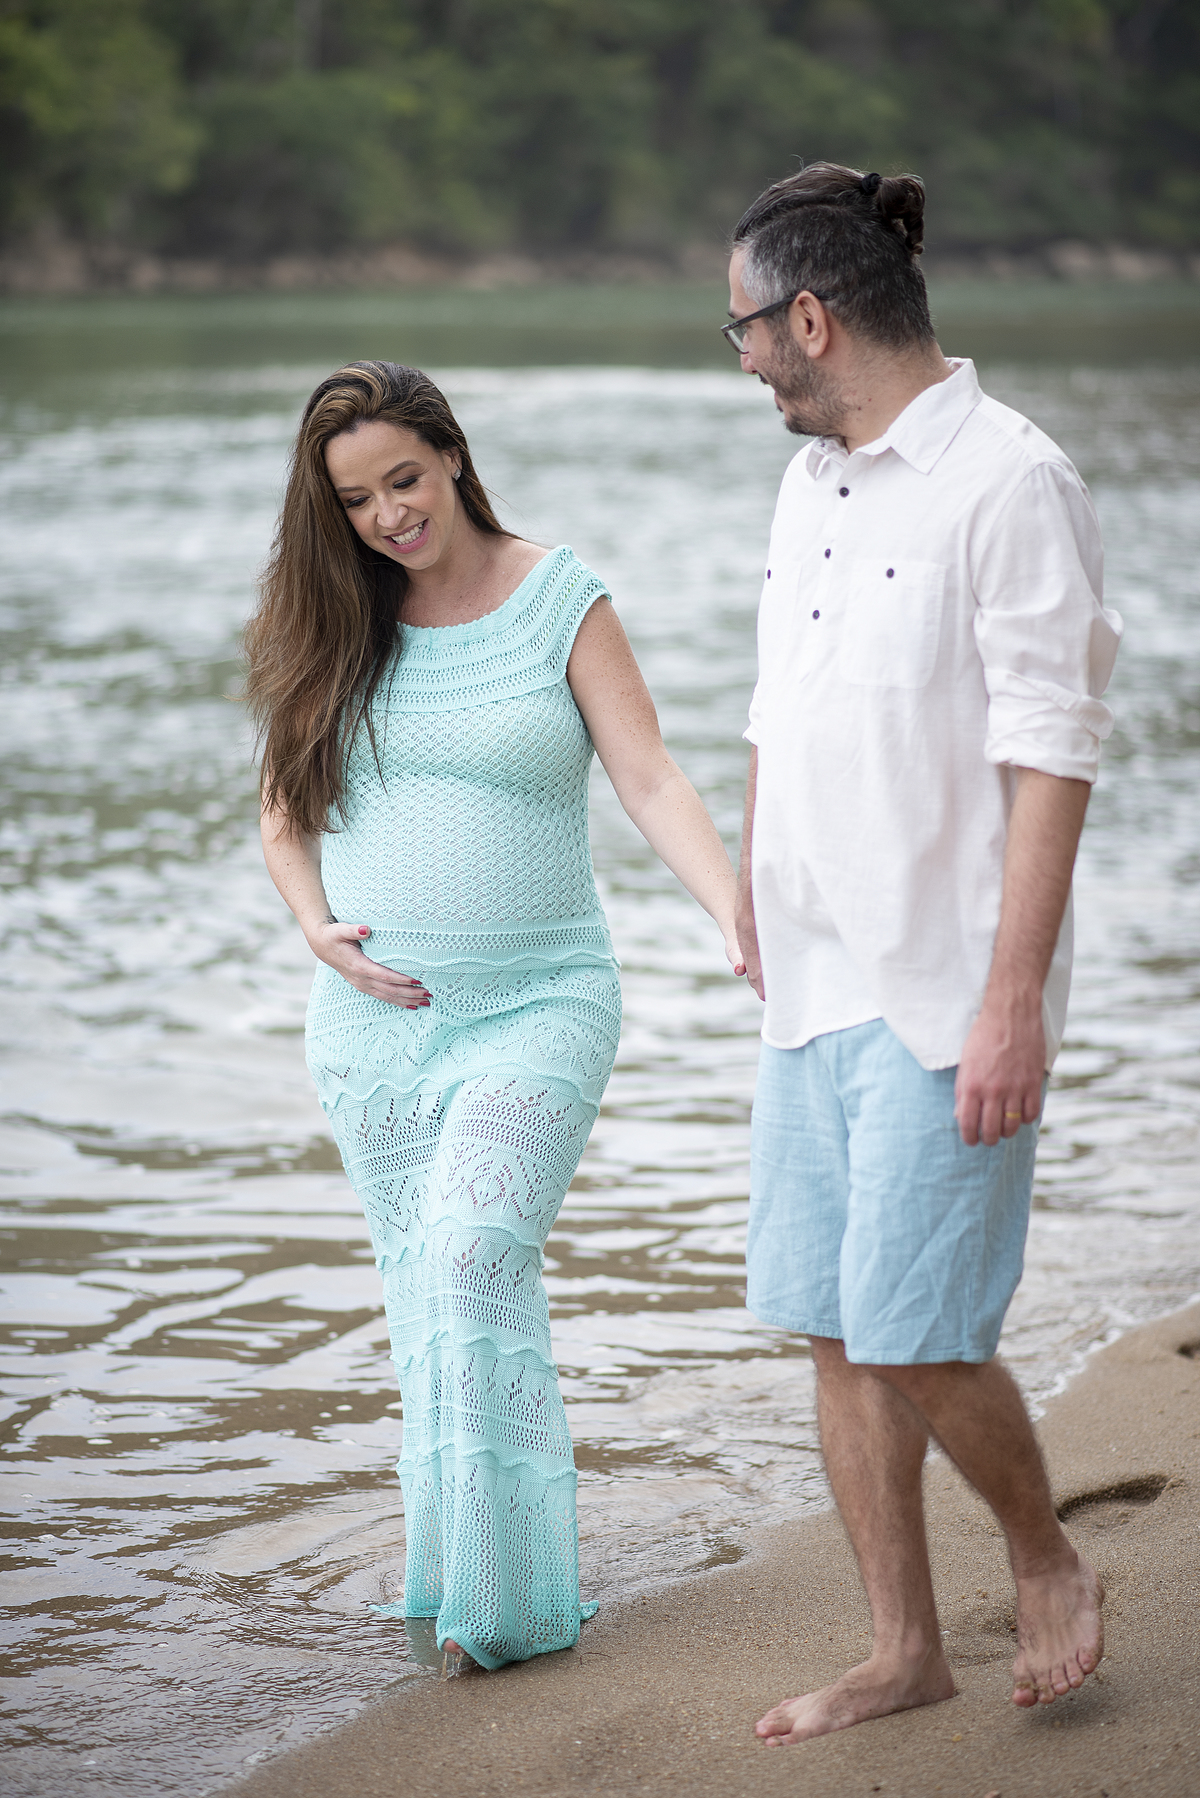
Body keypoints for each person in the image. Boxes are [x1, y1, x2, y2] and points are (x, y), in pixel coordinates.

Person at [246, 361, 742, 1673]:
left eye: (403, 479)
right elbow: (283, 815)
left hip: (540, 1002)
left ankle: (515, 1605)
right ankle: (456, 1582)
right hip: (373, 1033)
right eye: (356, 499)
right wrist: (314, 925)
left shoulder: (557, 598)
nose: (388, 515)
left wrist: (740, 912)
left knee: (471, 1257)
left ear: (454, 458)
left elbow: (648, 775)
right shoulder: (336, 623)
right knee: (429, 1300)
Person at [725, 165, 1122, 1744]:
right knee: (832, 1321)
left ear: (810, 317)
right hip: (812, 974)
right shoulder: (814, 474)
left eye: (745, 328)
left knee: (914, 1331)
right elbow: (775, 700)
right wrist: (758, 888)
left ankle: (1045, 1557)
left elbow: (1052, 748)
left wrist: (1015, 993)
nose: (744, 359)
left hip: (947, 980)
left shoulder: (1013, 481)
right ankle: (905, 1645)